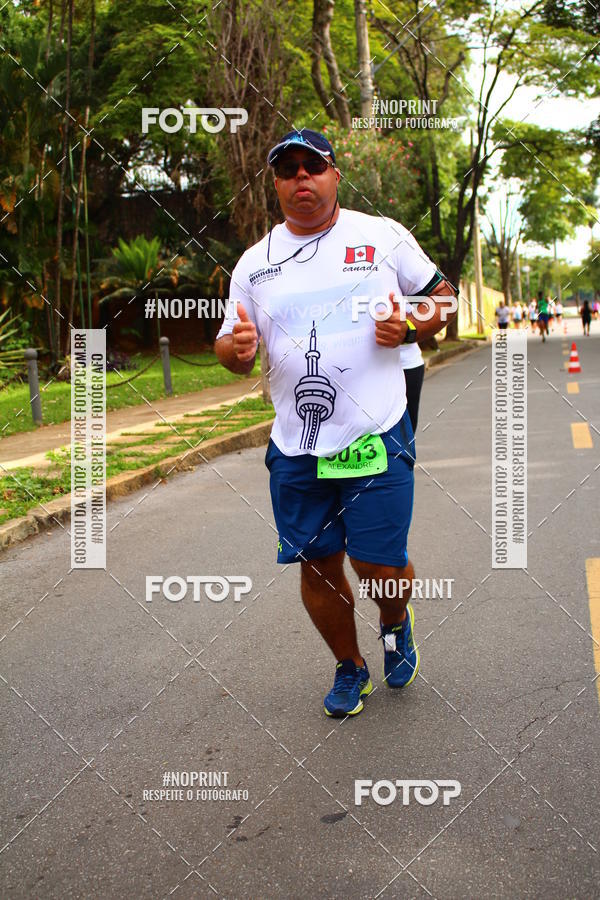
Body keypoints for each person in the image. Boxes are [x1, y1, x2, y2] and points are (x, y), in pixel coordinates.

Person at [215, 128, 457, 717]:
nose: (302, 177)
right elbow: (228, 342)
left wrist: (412, 324)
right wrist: (236, 351)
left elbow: (444, 298)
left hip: (376, 430)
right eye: (288, 169)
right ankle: (350, 666)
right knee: (318, 566)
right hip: (295, 444)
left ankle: (395, 622)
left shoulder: (380, 236)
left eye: (313, 165)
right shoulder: (254, 263)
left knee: (378, 565)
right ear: (276, 183)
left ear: (334, 175)